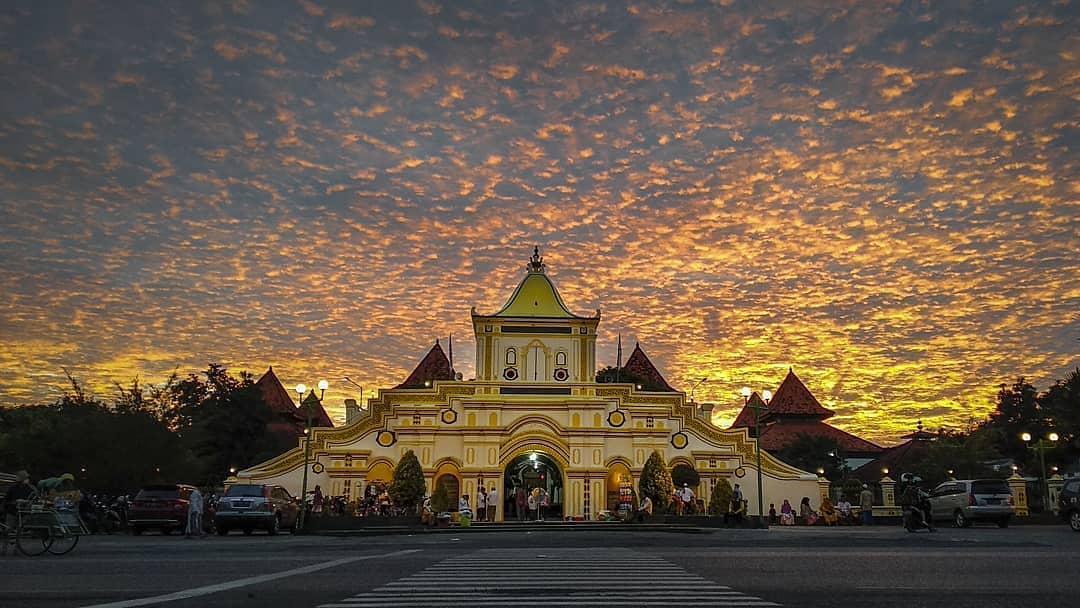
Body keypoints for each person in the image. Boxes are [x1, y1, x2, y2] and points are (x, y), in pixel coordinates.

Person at [3, 470, 37, 556]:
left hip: (23, 512)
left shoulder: (30, 488)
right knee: (7, 531)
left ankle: (16, 550)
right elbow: (6, 500)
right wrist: (14, 502)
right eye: (25, 478)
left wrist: (25, 502)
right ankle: (4, 549)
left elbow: (34, 499)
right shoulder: (13, 488)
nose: (27, 480)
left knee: (19, 532)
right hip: (12, 512)